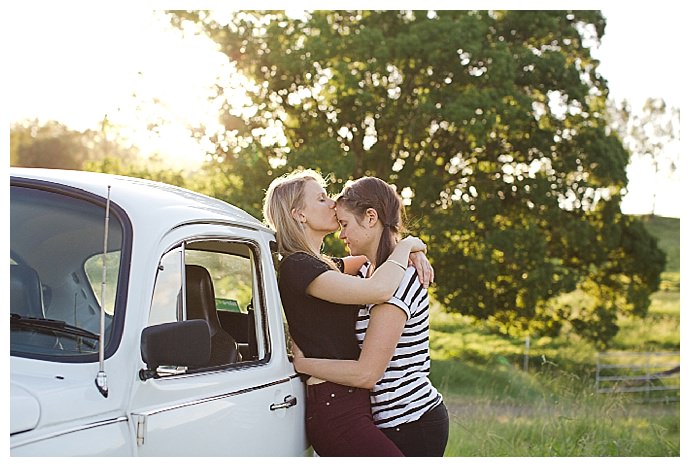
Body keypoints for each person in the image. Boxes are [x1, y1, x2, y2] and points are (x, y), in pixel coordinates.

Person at [262, 169, 432, 457]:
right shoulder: (298, 267)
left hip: (352, 402)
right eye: (321, 198)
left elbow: (377, 256)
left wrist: (413, 250)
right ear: (299, 214)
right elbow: (380, 289)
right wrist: (406, 245)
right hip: (334, 407)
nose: (332, 203)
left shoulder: (325, 264)